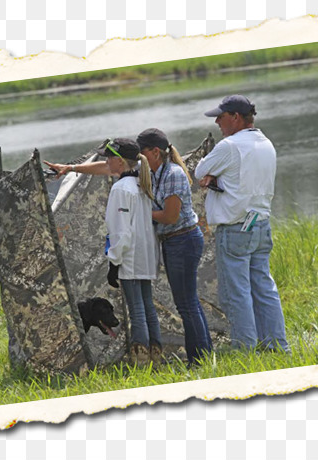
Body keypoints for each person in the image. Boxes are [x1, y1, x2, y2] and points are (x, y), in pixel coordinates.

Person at [43, 129, 214, 365]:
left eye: (142, 152)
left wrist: (115, 259)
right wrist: (71, 168)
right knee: (166, 306)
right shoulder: (143, 179)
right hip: (160, 247)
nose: (140, 157)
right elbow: (106, 169)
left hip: (174, 242)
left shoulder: (151, 179)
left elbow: (159, 219)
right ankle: (186, 356)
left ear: (154, 152)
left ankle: (183, 360)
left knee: (170, 307)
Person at [194, 95, 290, 352]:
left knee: (236, 294)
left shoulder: (230, 145)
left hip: (235, 228)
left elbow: (199, 172)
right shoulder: (265, 142)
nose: (217, 121)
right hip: (260, 224)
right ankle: (277, 346)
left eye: (221, 116)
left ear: (235, 117)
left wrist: (213, 174)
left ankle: (245, 352)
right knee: (264, 289)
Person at [101, 138, 162, 365]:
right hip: (146, 256)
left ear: (119, 160)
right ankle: (156, 358)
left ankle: (141, 362)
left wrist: (113, 263)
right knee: (148, 307)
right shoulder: (142, 184)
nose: (106, 162)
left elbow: (121, 232)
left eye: (109, 157)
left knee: (137, 310)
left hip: (130, 257)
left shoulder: (121, 189)